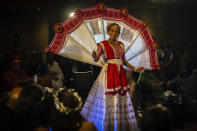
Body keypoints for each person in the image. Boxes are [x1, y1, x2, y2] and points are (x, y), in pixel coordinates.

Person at [81, 23, 144, 131]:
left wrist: (135, 68)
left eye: (117, 31)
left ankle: (118, 124)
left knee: (120, 96)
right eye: (112, 31)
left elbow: (124, 61)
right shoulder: (102, 44)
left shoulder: (121, 45)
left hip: (120, 73)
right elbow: (96, 59)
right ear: (108, 32)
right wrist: (94, 56)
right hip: (109, 72)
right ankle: (106, 124)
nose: (114, 33)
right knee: (108, 97)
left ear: (118, 33)